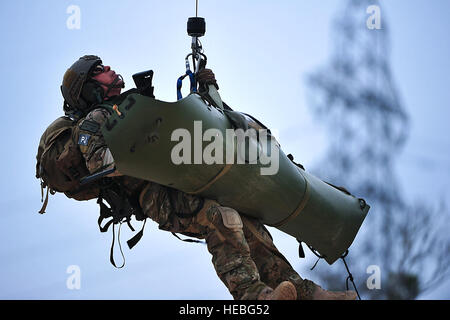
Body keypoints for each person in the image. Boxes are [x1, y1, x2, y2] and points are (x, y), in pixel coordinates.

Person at [54, 55, 357, 300]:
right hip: (155, 195)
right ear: (87, 87)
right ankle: (254, 297)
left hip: (186, 176)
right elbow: (99, 163)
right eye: (99, 70)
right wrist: (146, 153)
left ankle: (306, 294)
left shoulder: (130, 105)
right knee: (221, 218)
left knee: (250, 225)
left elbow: (175, 131)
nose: (109, 69)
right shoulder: (92, 122)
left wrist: (205, 95)